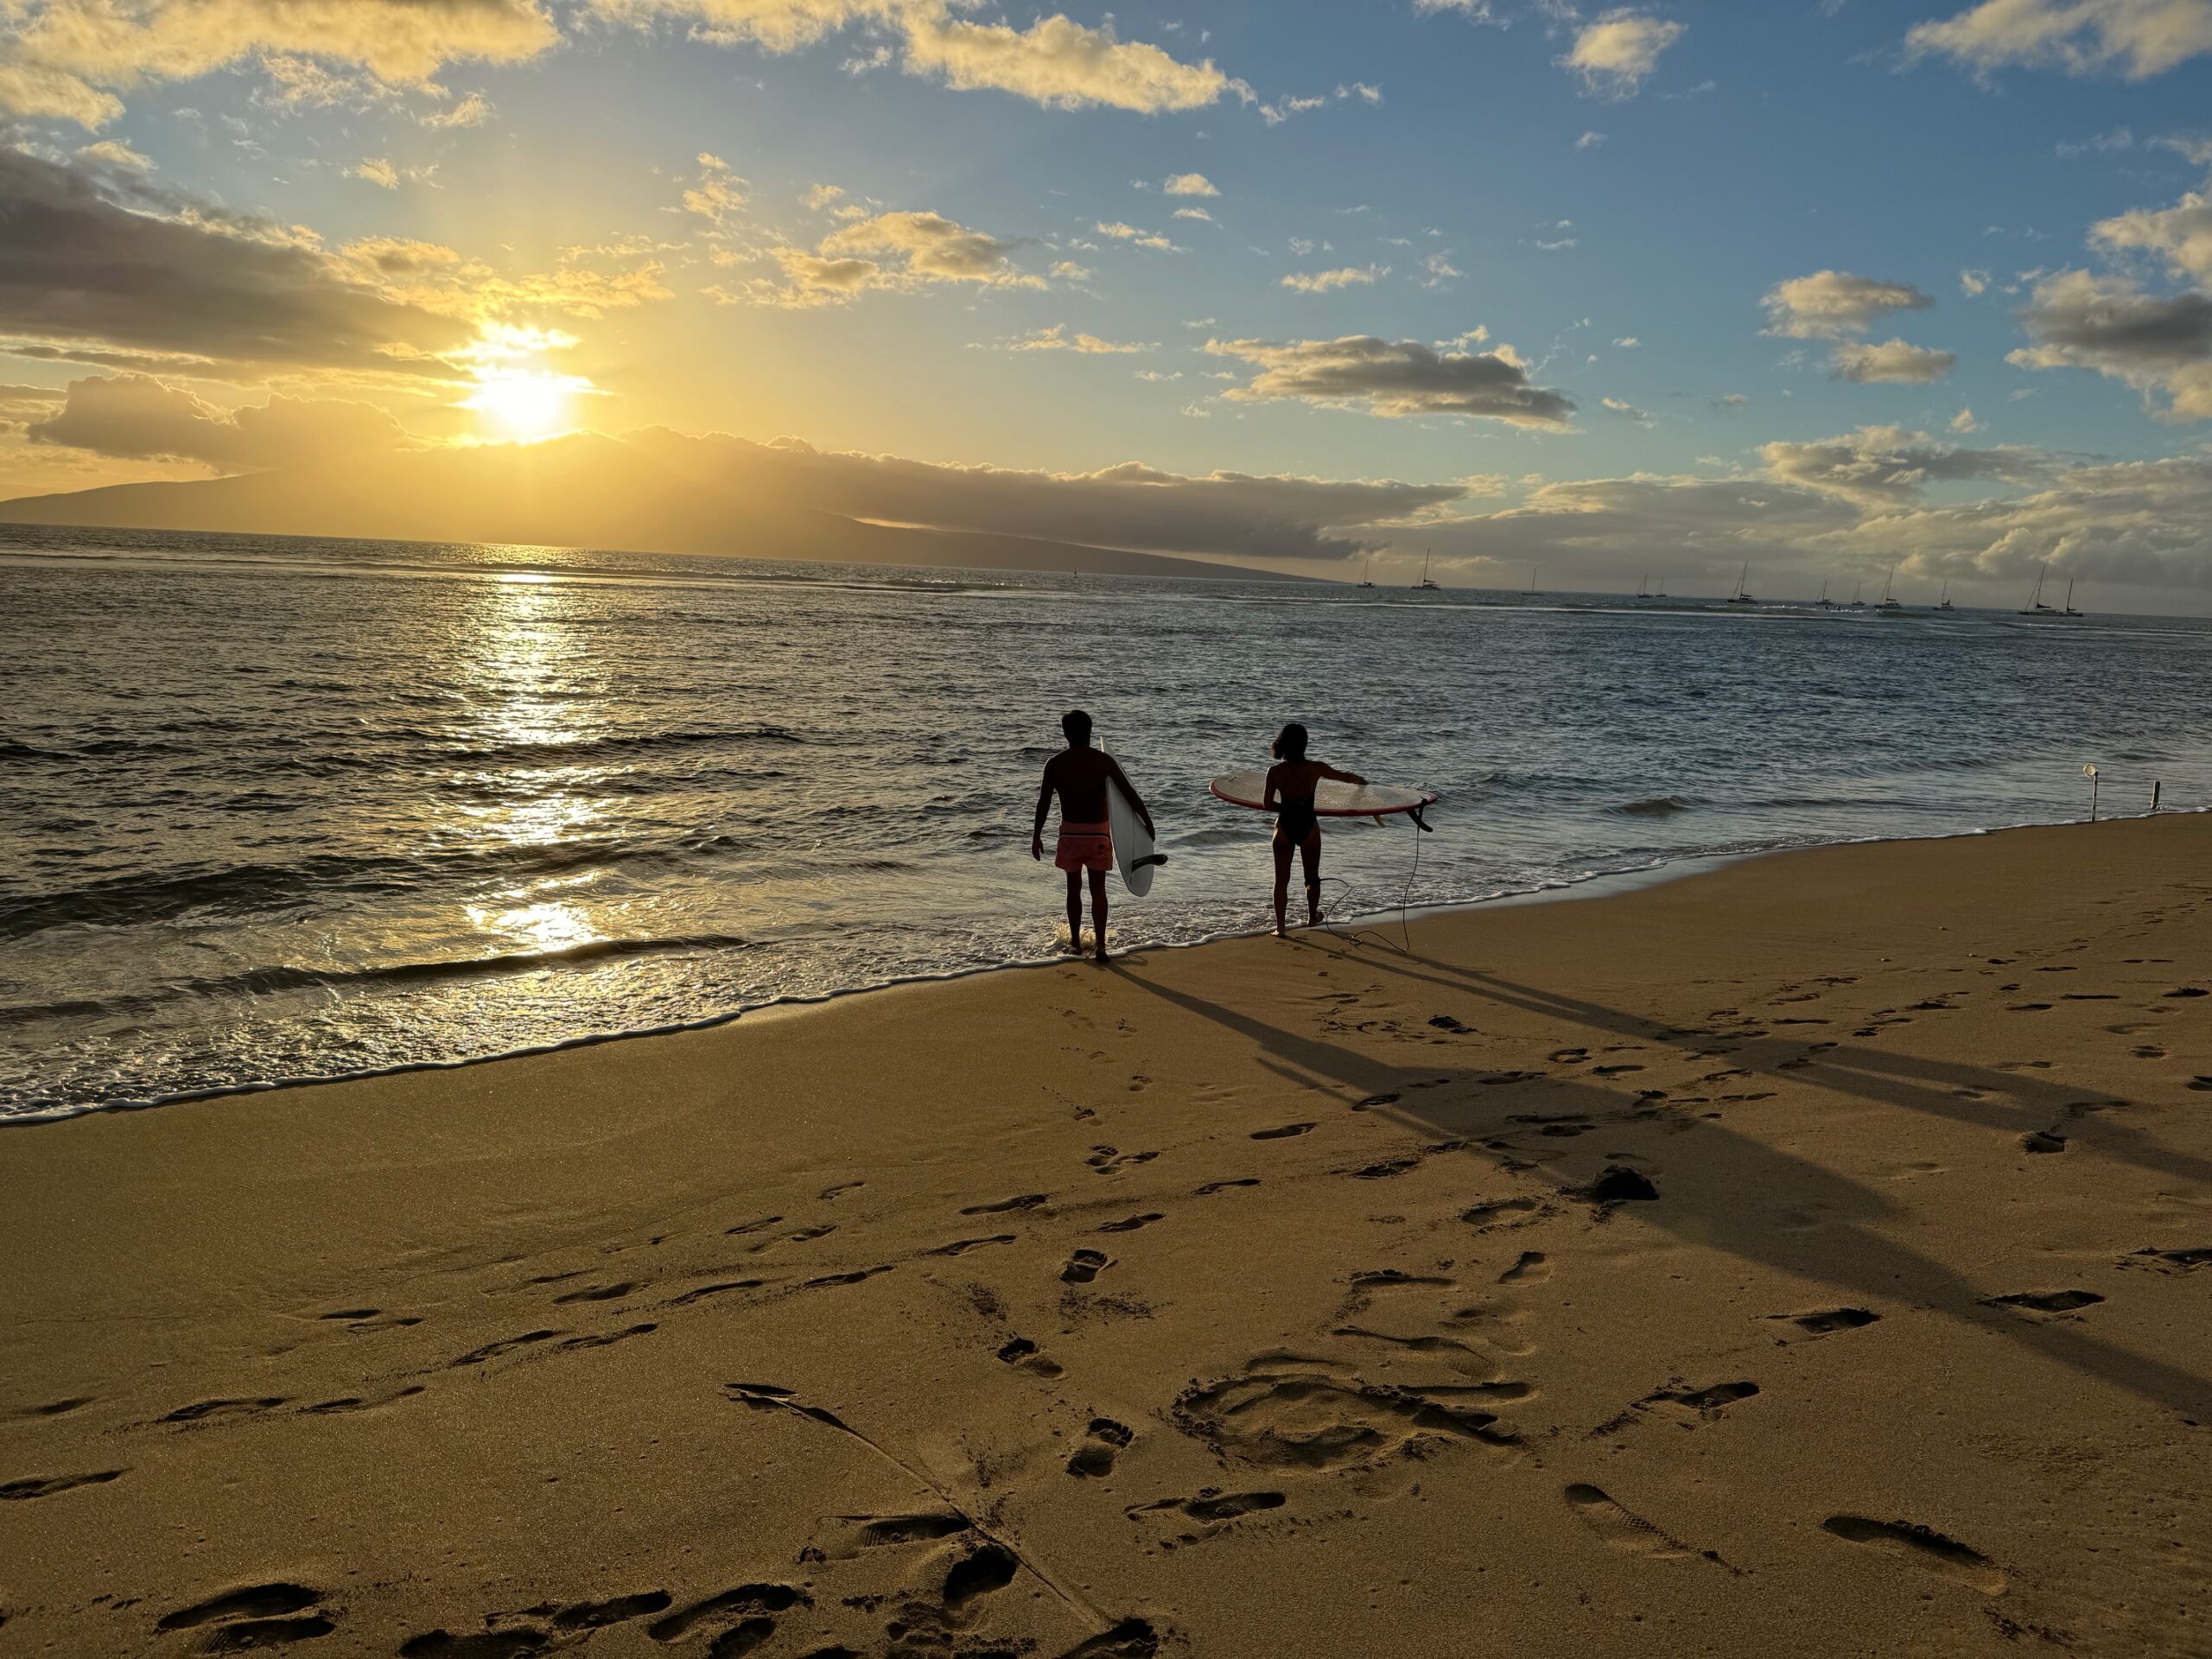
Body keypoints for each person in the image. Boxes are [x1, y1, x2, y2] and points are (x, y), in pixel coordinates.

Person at [1032, 710, 1153, 961]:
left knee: (1073, 890)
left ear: (1065, 733)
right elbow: (1129, 794)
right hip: (1098, 834)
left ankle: (1075, 944)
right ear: (1089, 731)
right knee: (1098, 891)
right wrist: (1146, 822)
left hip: (1071, 835)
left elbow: (1043, 803)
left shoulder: (1055, 764)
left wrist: (1036, 835)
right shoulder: (1104, 762)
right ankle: (1100, 947)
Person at [1263, 722, 1365, 937]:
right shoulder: (1316, 768)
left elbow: (1268, 804)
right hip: (1309, 826)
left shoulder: (1274, 772)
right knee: (1312, 878)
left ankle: (1280, 928)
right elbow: (1344, 776)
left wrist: (1288, 809)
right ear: (1304, 745)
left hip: (1284, 826)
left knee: (1281, 880)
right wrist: (1362, 782)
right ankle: (1311, 918)